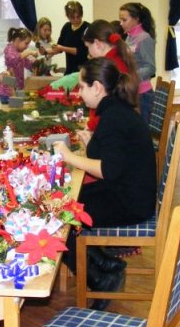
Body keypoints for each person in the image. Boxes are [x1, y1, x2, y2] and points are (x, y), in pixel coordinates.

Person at [53, 57, 156, 310]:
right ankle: (107, 265)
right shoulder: (115, 110)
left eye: (82, 87)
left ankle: (100, 278)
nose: (79, 93)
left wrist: (69, 157)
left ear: (97, 87)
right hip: (126, 190)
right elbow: (113, 159)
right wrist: (90, 143)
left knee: (60, 216)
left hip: (131, 202)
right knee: (64, 205)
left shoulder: (114, 118)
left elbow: (108, 170)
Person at [82, 19, 138, 131]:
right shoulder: (113, 60)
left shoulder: (111, 66)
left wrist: (90, 126)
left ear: (97, 44)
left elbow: (110, 107)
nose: (88, 53)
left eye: (88, 47)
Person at [119, 2, 156, 123]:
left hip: (143, 95)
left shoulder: (145, 38)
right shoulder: (129, 37)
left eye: (124, 20)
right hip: (132, 92)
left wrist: (131, 76)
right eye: (120, 20)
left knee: (141, 130)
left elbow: (150, 67)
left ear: (136, 19)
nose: (121, 23)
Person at [0, 27, 38, 104]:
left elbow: (27, 63)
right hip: (7, 91)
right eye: (26, 43)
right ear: (18, 40)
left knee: (19, 108)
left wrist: (34, 64)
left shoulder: (20, 52)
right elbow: (14, 59)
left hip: (18, 89)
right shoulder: (9, 49)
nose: (27, 46)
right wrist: (28, 52)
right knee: (11, 110)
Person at [49, 0, 90, 75]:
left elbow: (82, 52)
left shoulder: (87, 28)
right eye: (72, 17)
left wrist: (62, 48)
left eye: (78, 17)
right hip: (69, 70)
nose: (76, 20)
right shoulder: (66, 27)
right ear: (67, 16)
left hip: (83, 71)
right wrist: (48, 51)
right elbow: (59, 47)